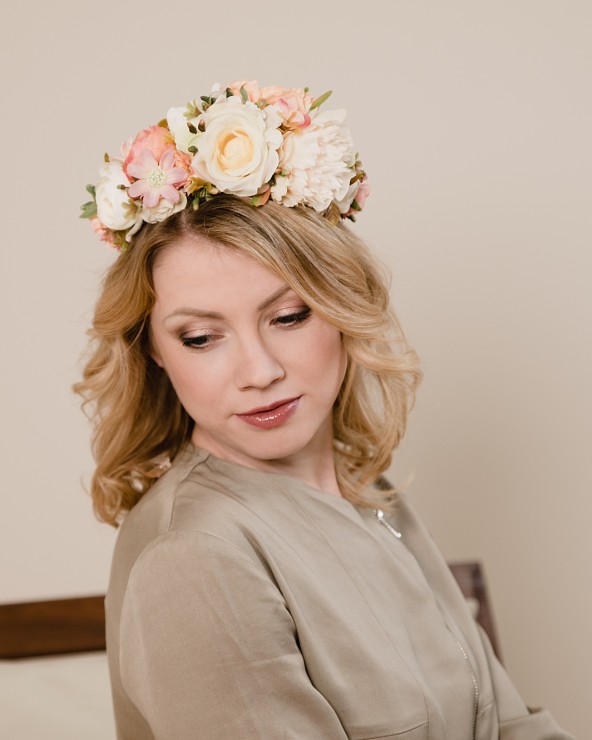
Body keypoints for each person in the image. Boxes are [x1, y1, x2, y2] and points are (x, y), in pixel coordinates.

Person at [77, 80, 573, 739]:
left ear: (341, 307)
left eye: (288, 316)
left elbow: (506, 726)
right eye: (200, 337)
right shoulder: (193, 559)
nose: (260, 371)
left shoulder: (367, 492)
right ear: (155, 352)